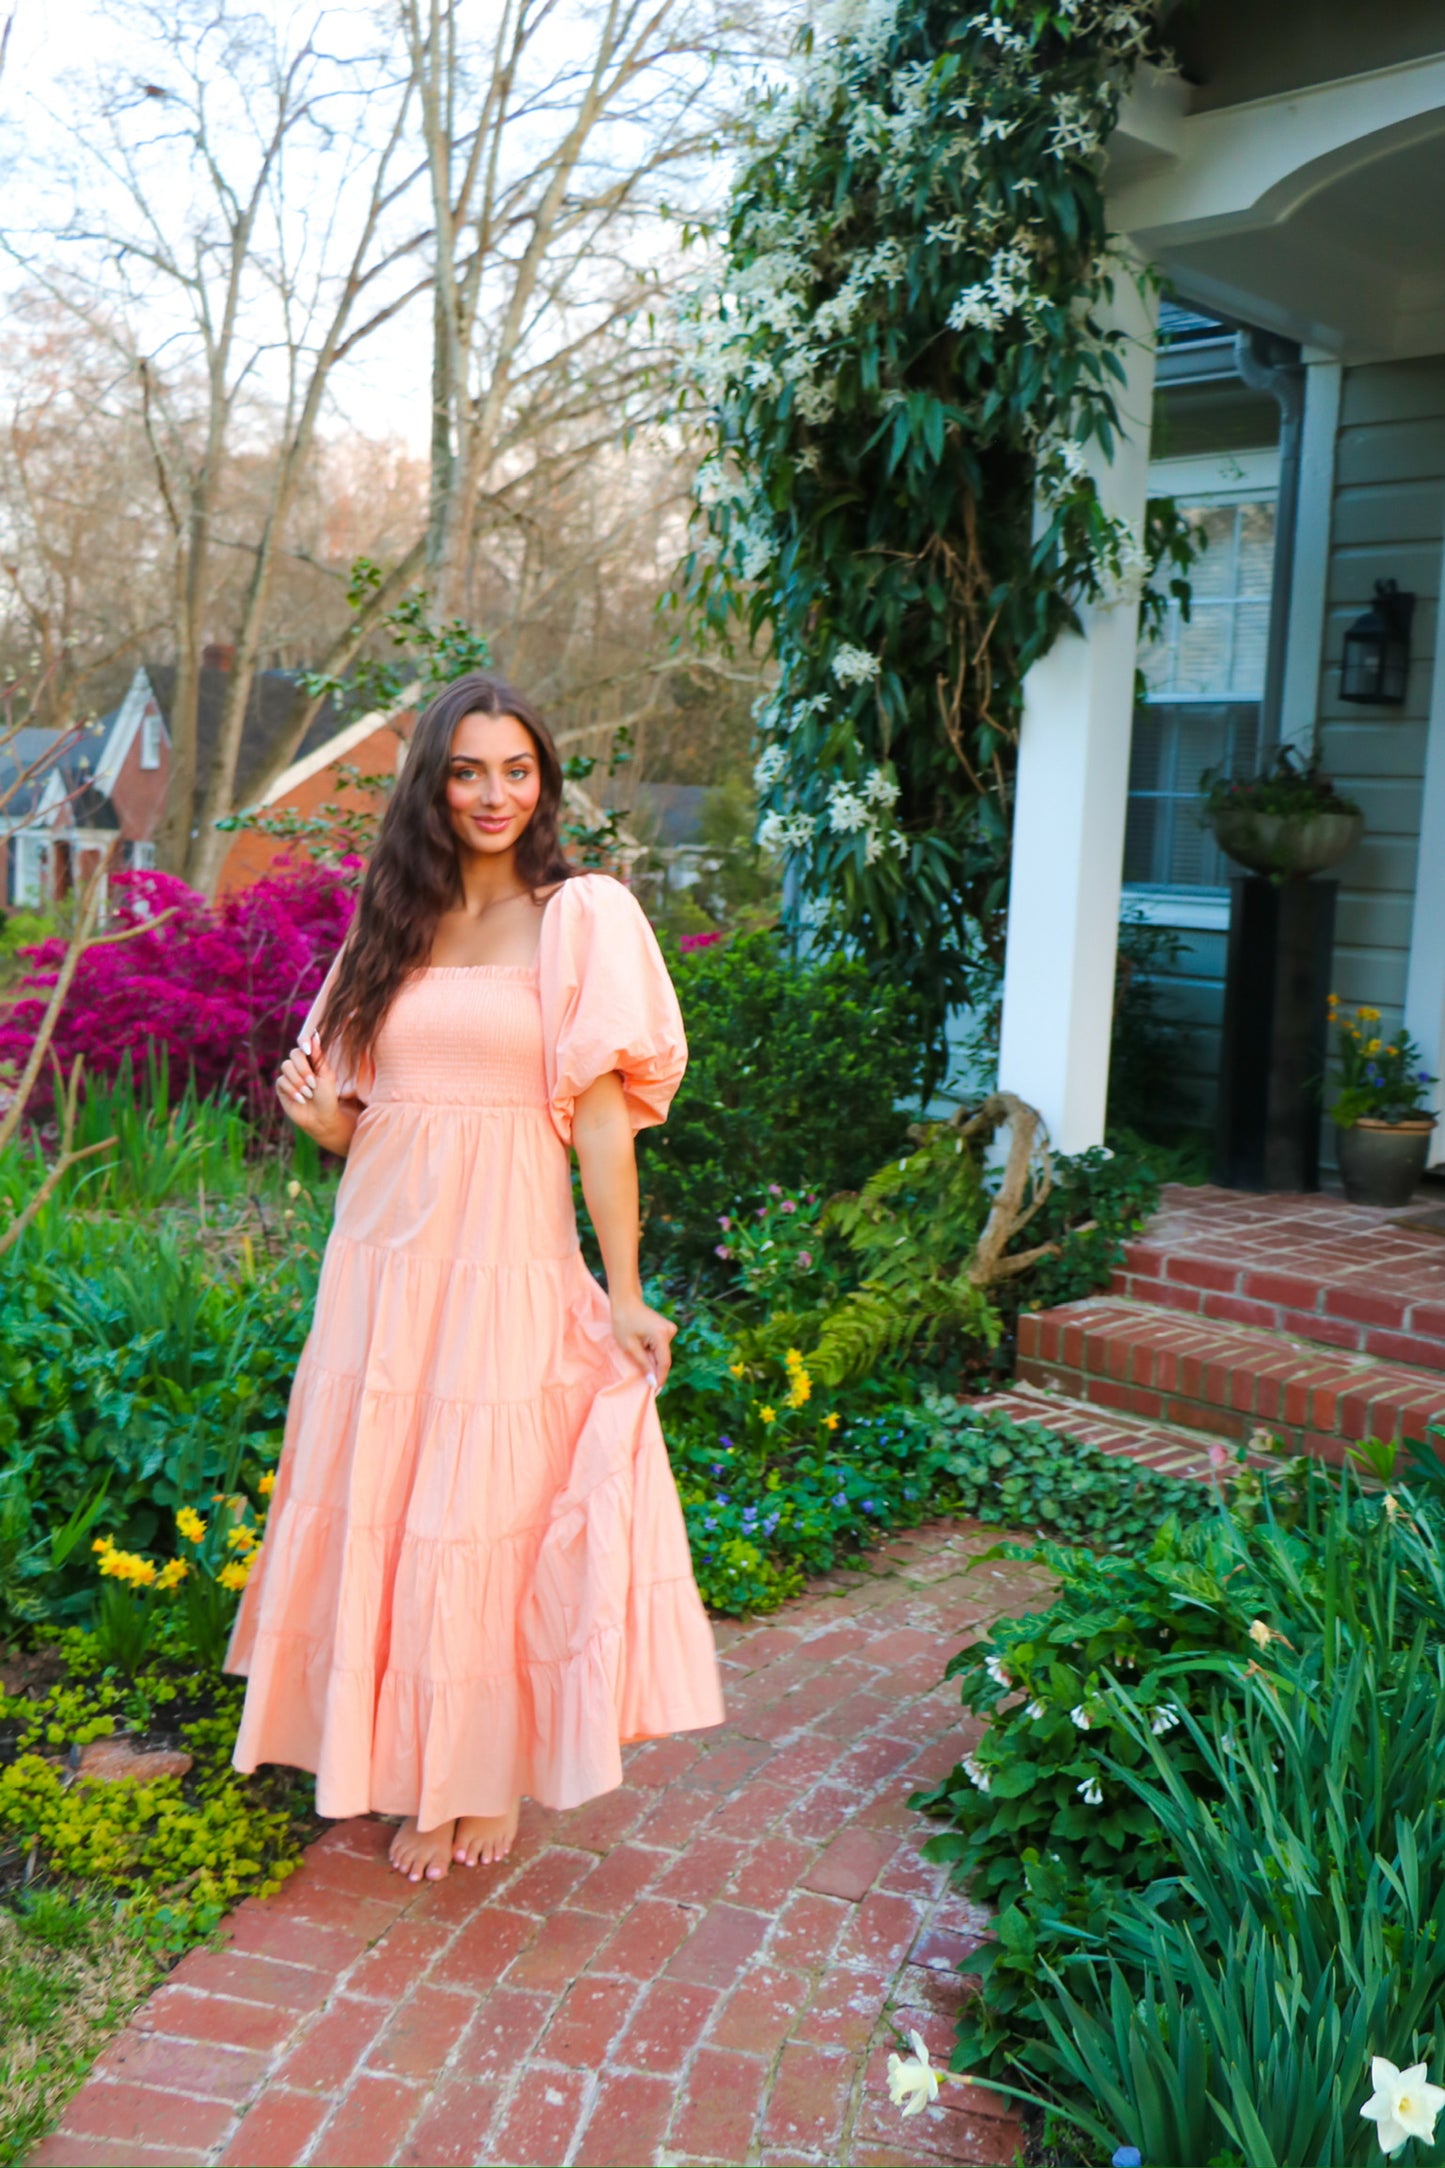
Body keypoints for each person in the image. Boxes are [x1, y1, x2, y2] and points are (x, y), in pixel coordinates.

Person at [225, 671, 725, 1884]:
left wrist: (624, 1287)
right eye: (467, 769)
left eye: (515, 768)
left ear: (543, 781)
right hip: (382, 1268)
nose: (494, 792)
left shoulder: (580, 917)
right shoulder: (387, 923)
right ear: (432, 784)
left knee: (482, 1514)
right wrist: (330, 1136)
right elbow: (354, 1102)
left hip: (503, 1263)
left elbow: (602, 1125)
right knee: (390, 1505)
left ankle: (480, 1770)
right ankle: (393, 1758)